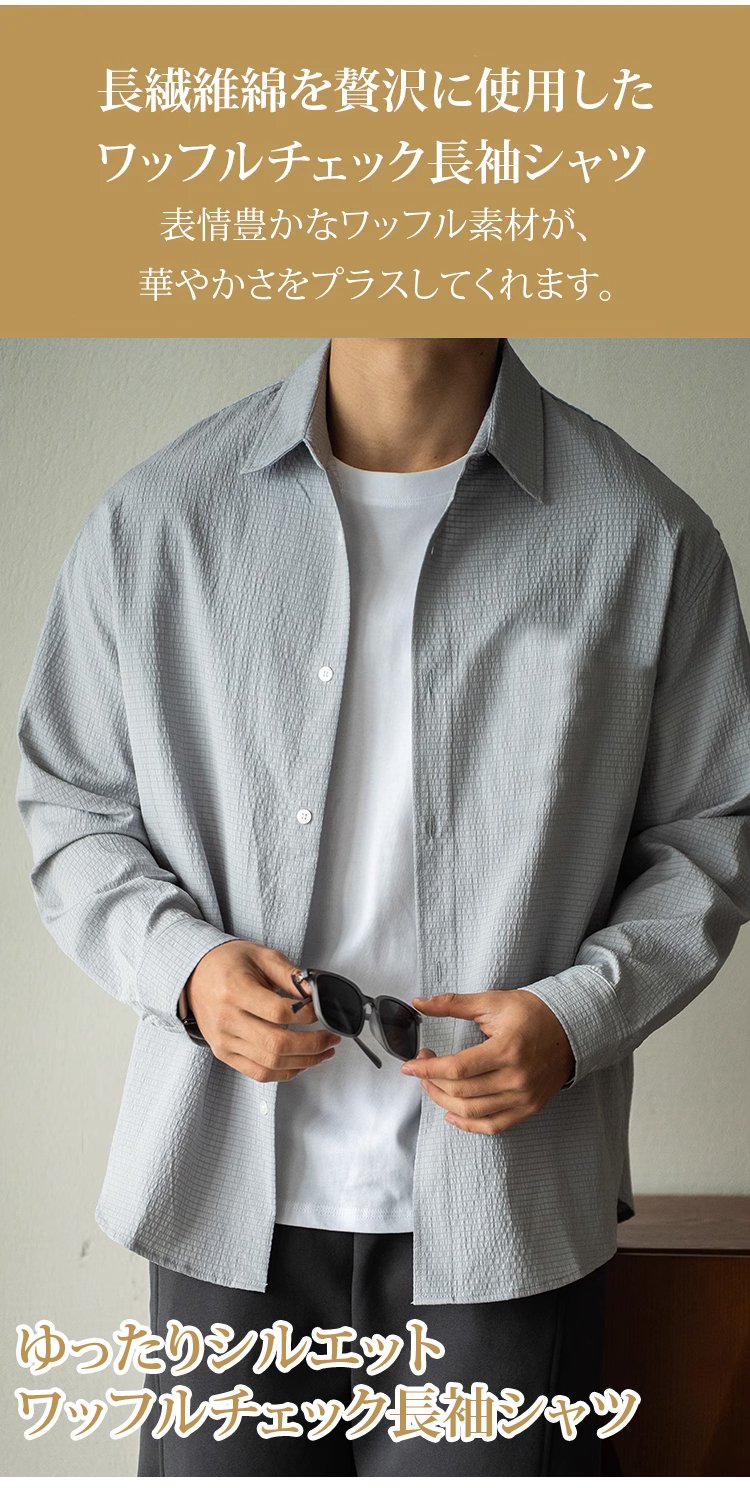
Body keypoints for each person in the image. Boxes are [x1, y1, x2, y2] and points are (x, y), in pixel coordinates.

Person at [15, 338, 750, 1476]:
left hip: (506, 1210)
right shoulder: (160, 519)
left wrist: (579, 1017)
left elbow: (710, 834)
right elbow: (72, 805)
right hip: (224, 1193)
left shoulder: (645, 537)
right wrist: (186, 970)